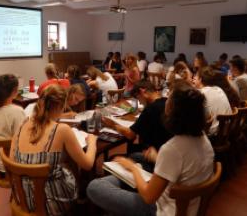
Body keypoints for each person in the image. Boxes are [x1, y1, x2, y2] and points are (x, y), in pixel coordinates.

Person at [87, 81, 214, 216]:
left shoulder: (172, 149)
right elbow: (184, 165)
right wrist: (157, 158)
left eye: (168, 99)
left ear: (173, 111)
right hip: (189, 206)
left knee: (94, 187)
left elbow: (148, 197)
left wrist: (133, 168)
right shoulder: (203, 139)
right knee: (136, 158)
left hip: (161, 209)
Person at [10, 85, 97, 216]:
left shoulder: (22, 125)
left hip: (22, 198)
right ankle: (83, 204)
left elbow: (12, 161)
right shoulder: (62, 129)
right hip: (51, 203)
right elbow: (88, 164)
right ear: (60, 107)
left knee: (63, 165)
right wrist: (92, 142)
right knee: (76, 174)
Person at [102, 80, 173, 171]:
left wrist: (112, 124)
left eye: (138, 98)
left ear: (142, 92)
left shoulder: (150, 109)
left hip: (151, 156)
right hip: (164, 154)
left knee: (111, 159)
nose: (140, 102)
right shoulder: (167, 102)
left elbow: (130, 134)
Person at [194, 68, 232, 135]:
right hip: (226, 130)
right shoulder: (219, 89)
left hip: (213, 134)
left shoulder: (200, 93)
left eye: (195, 76)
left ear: (200, 79)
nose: (193, 78)